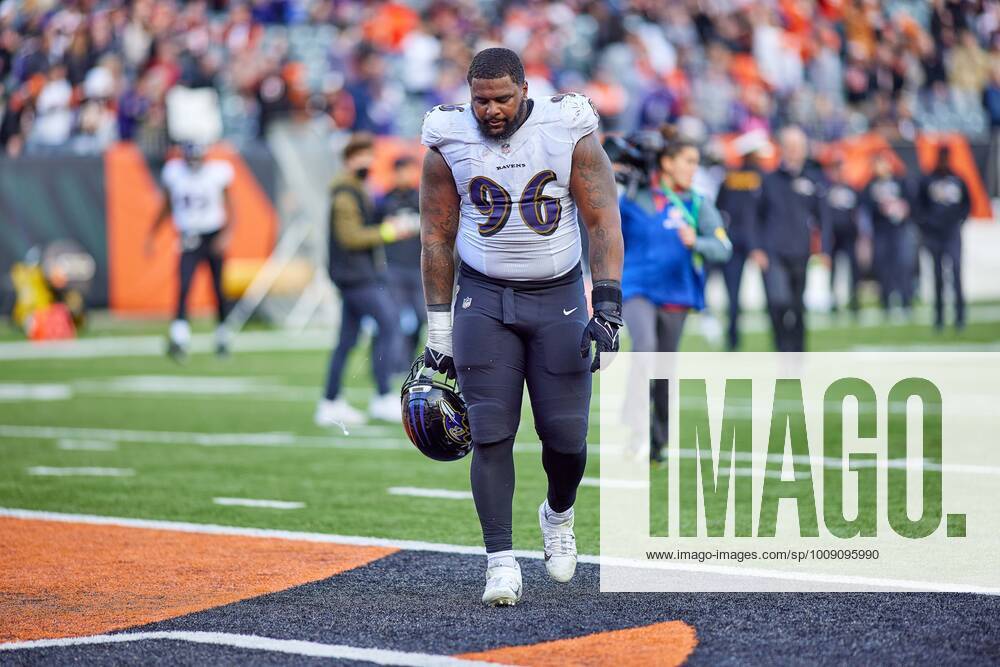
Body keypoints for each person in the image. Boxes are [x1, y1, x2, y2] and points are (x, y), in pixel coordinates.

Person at [419, 48, 623, 606]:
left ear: (525, 89)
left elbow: (602, 217)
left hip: (558, 297)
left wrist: (606, 305)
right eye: (481, 100)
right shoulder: (447, 136)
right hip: (482, 298)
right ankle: (500, 560)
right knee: (490, 432)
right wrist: (438, 332)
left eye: (502, 99)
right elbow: (435, 236)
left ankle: (558, 512)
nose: (491, 111)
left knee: (566, 439)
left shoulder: (566, 126)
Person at [619, 126, 732, 462]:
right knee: (645, 349)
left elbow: (724, 247)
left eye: (696, 162)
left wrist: (697, 242)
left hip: (677, 295)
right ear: (666, 163)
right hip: (637, 289)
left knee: (664, 371)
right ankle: (635, 426)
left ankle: (658, 438)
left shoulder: (698, 204)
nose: (692, 168)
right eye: (687, 161)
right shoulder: (636, 196)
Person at [315, 133, 417, 428]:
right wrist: (388, 232)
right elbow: (350, 237)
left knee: (346, 340)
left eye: (369, 155)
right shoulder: (346, 194)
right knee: (389, 324)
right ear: (348, 159)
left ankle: (330, 401)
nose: (367, 161)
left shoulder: (357, 189)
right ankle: (383, 395)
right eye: (361, 155)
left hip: (356, 274)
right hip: (355, 275)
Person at [145, 141, 234, 362]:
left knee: (218, 289)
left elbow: (231, 205)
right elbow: (166, 205)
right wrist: (153, 233)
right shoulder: (174, 172)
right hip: (189, 235)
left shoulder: (217, 173)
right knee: (184, 286)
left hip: (213, 234)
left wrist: (226, 234)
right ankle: (180, 337)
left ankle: (222, 335)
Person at [753, 126, 827, 352]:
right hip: (773, 252)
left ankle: (797, 355)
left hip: (800, 251)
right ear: (782, 148)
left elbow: (823, 217)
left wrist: (824, 249)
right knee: (778, 303)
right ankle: (781, 351)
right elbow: (755, 216)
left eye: (799, 147)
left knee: (797, 306)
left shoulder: (813, 180)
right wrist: (757, 248)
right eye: (791, 146)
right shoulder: (768, 180)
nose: (795, 151)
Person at [714, 134, 765, 350]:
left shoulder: (730, 178)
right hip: (757, 241)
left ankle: (733, 338)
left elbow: (719, 210)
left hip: (732, 239)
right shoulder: (762, 178)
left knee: (732, 294)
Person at [377, 155, 424, 371]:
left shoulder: (423, 199)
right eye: (402, 171)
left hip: (418, 268)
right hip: (394, 268)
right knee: (396, 319)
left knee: (420, 317)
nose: (405, 175)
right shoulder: (384, 202)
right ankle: (393, 364)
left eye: (409, 170)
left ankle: (408, 358)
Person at [917, 145, 970, 330]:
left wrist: (957, 220)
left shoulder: (958, 179)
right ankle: (939, 317)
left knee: (956, 272)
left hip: (952, 233)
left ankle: (960, 317)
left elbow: (966, 204)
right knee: (938, 275)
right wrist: (928, 224)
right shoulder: (928, 180)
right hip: (934, 234)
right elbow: (919, 206)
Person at [863, 152, 914, 318]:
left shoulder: (900, 181)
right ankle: (886, 302)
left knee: (903, 264)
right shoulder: (870, 185)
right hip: (881, 231)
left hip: (899, 230)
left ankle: (907, 300)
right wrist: (880, 208)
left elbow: (911, 202)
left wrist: (902, 209)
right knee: (883, 267)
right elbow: (865, 206)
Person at [824, 159, 864, 315]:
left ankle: (854, 299)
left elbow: (859, 214)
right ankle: (832, 300)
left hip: (849, 235)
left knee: (853, 268)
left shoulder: (852, 189)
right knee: (833, 268)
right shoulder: (826, 189)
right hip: (833, 235)